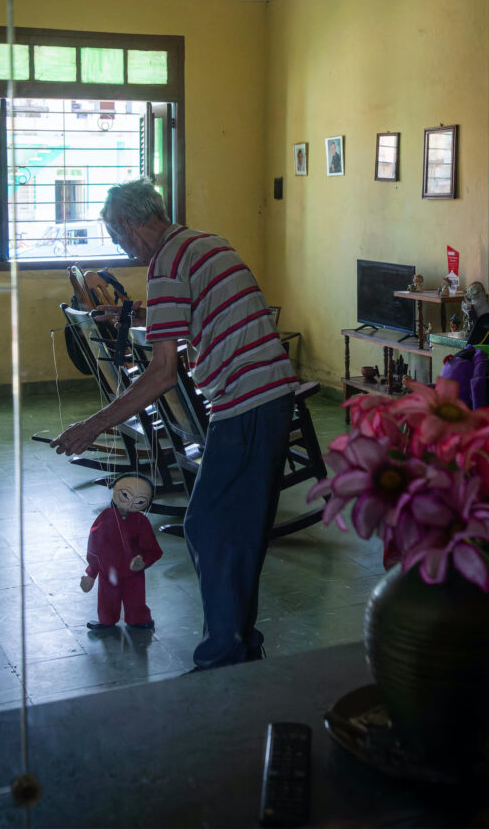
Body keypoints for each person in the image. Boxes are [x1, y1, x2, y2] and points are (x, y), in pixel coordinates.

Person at [51, 178, 297, 669]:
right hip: (270, 396)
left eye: (119, 239)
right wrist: (141, 309)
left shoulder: (165, 263)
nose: (125, 252)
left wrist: (95, 424)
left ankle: (223, 655)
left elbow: (162, 372)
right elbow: (195, 311)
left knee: (208, 527)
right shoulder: (204, 243)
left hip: (246, 404)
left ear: (127, 223)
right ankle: (240, 645)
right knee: (237, 529)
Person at [81, 473, 162, 631]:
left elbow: (153, 549)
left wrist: (143, 562)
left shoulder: (141, 521)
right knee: (106, 600)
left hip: (133, 572)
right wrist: (91, 573)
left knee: (136, 600)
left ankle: (139, 620)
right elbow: (94, 547)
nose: (131, 502)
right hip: (107, 571)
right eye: (125, 495)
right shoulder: (105, 517)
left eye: (139, 501)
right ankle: (106, 620)